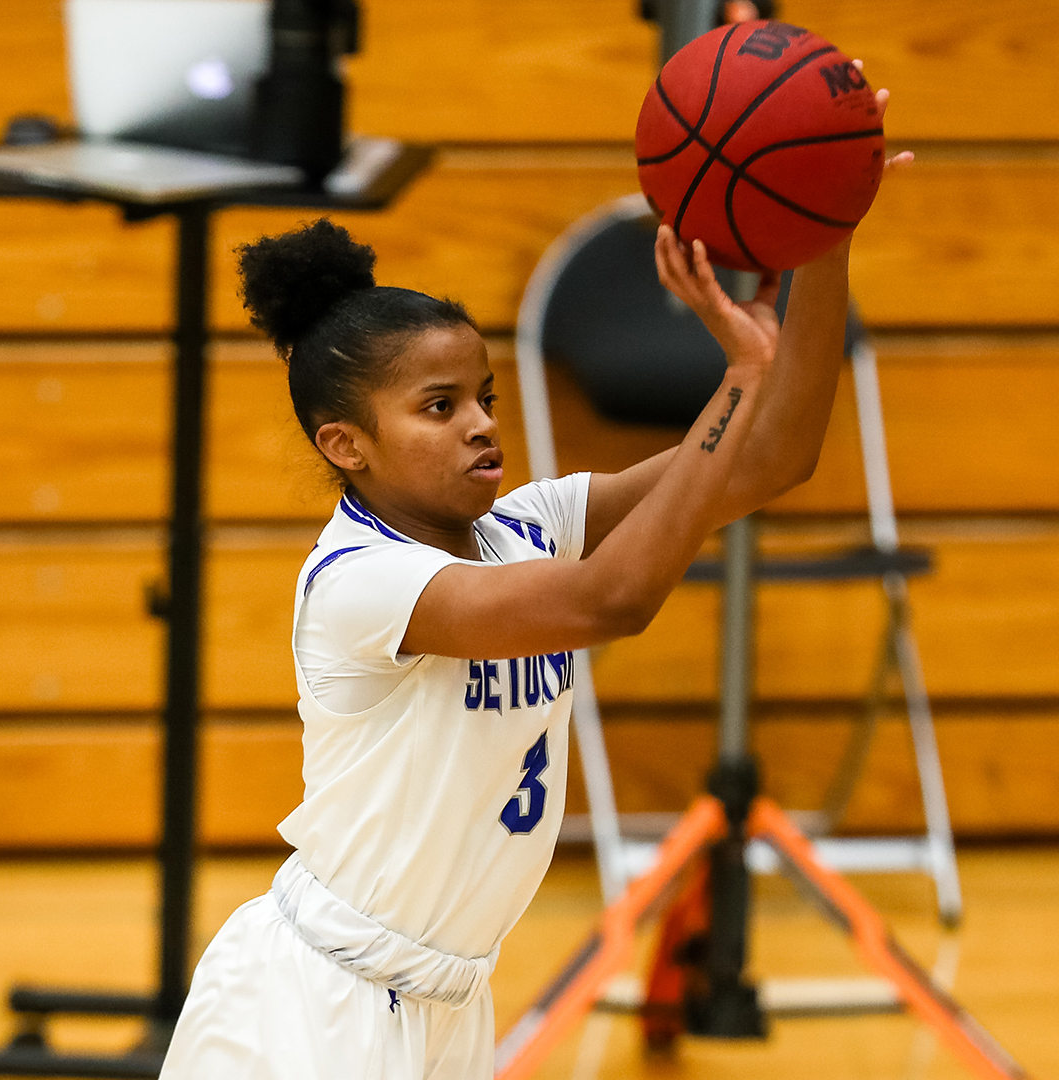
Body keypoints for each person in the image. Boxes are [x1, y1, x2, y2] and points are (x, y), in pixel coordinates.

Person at [162, 79, 909, 1080]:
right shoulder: (361, 582)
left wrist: (825, 225)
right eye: (438, 407)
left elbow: (772, 458)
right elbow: (613, 600)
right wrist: (735, 376)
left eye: (484, 395)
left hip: (450, 999)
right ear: (346, 445)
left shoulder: (527, 523)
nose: (479, 422)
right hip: (316, 1006)